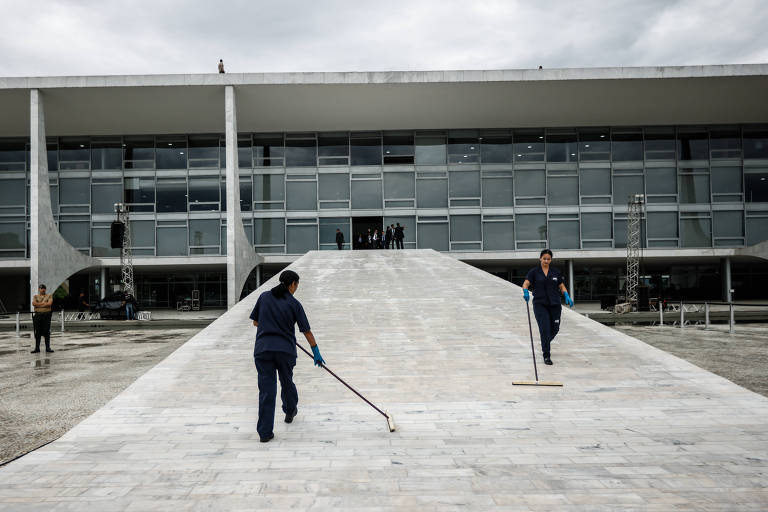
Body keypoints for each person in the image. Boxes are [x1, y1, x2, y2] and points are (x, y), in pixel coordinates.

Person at [250, 270, 325, 443]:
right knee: (286, 382)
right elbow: (306, 330)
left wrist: (271, 325)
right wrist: (316, 353)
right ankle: (290, 410)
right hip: (285, 350)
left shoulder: (264, 297)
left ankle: (264, 433)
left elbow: (255, 322)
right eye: (296, 285)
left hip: (263, 350)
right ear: (292, 284)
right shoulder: (294, 303)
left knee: (266, 391)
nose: (296, 288)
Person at [522, 249, 574, 366]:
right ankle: (547, 355)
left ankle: (545, 342)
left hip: (555, 304)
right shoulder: (534, 272)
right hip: (540, 304)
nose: (546, 260)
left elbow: (561, 285)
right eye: (544, 258)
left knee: (555, 329)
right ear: (540, 258)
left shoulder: (555, 272)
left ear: (551, 260)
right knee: (545, 328)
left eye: (548, 259)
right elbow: (526, 283)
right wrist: (525, 291)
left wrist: (566, 295)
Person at [31, 284, 53, 353]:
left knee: (47, 332)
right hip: (38, 316)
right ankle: (37, 348)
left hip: (46, 316)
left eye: (43, 288)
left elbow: (49, 304)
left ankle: (48, 348)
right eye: (41, 288)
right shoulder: (35, 296)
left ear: (45, 289)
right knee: (37, 332)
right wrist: (44, 304)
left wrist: (39, 304)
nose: (42, 289)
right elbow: (34, 303)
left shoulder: (49, 296)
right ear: (39, 289)